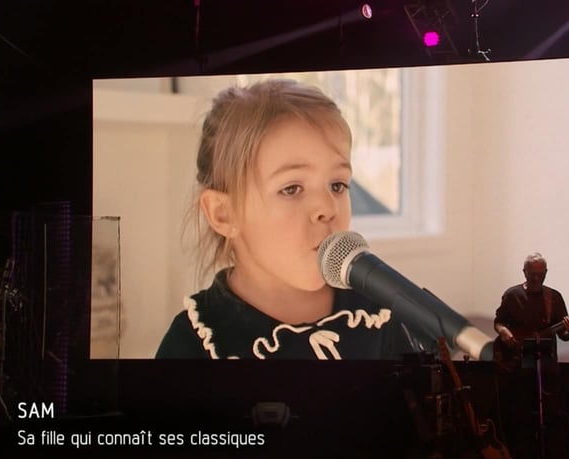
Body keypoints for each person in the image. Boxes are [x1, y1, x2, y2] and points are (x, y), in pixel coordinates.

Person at [155, 79, 421, 360]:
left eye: (337, 185)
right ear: (224, 213)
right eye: (291, 188)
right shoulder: (191, 344)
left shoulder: (378, 316)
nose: (328, 208)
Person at [491, 252, 569, 459]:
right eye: (532, 274)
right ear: (525, 273)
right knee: (518, 418)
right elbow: (499, 322)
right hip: (515, 369)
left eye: (541, 274)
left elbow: (565, 336)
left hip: (545, 370)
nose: (537, 278)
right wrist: (503, 332)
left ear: (545, 273)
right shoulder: (512, 295)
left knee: (549, 417)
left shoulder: (553, 298)